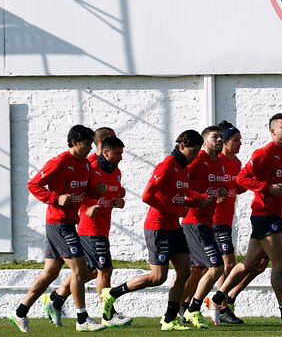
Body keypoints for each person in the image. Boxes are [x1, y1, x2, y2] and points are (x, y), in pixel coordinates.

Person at [99, 130, 210, 331]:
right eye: (193, 151)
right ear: (182, 146)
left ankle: (169, 319)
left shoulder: (184, 167)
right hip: (158, 227)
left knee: (185, 271)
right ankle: (112, 293)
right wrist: (176, 210)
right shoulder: (167, 165)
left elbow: (180, 194)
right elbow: (147, 196)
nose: (196, 155)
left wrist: (197, 199)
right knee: (158, 278)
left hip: (174, 227)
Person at [207, 113, 282, 327]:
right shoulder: (264, 153)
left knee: (250, 264)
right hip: (264, 214)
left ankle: (216, 299)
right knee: (279, 264)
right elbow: (242, 178)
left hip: (278, 216)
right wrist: (267, 188)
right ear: (273, 132)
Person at [8, 125, 107, 332]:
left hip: (68, 223)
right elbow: (33, 185)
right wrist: (55, 198)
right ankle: (82, 320)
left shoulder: (85, 165)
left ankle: (19, 313)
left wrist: (95, 191)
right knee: (81, 270)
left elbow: (83, 190)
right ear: (74, 142)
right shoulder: (59, 162)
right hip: (59, 224)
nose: (90, 148)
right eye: (87, 144)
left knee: (50, 273)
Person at [41, 136, 132, 328]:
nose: (121, 156)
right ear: (102, 146)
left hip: (103, 226)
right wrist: (86, 207)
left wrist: (118, 200)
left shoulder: (116, 171)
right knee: (104, 270)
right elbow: (80, 191)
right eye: (117, 152)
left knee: (88, 272)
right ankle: (108, 315)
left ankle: (56, 299)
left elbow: (108, 193)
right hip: (89, 228)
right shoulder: (88, 166)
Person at [179, 126, 228, 328]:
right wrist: (199, 198)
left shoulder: (221, 163)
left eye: (220, 137)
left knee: (196, 269)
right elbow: (181, 186)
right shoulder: (197, 160)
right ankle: (193, 308)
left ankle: (179, 309)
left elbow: (216, 186)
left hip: (208, 222)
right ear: (204, 141)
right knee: (216, 266)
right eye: (214, 137)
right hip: (194, 221)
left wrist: (222, 190)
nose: (219, 140)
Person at [204, 121, 247, 325]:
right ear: (226, 142)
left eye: (240, 140)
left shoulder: (236, 163)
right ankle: (221, 306)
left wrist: (241, 188)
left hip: (226, 220)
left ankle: (187, 305)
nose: (239, 144)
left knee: (207, 268)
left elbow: (234, 187)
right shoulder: (216, 160)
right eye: (235, 140)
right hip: (214, 219)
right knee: (227, 263)